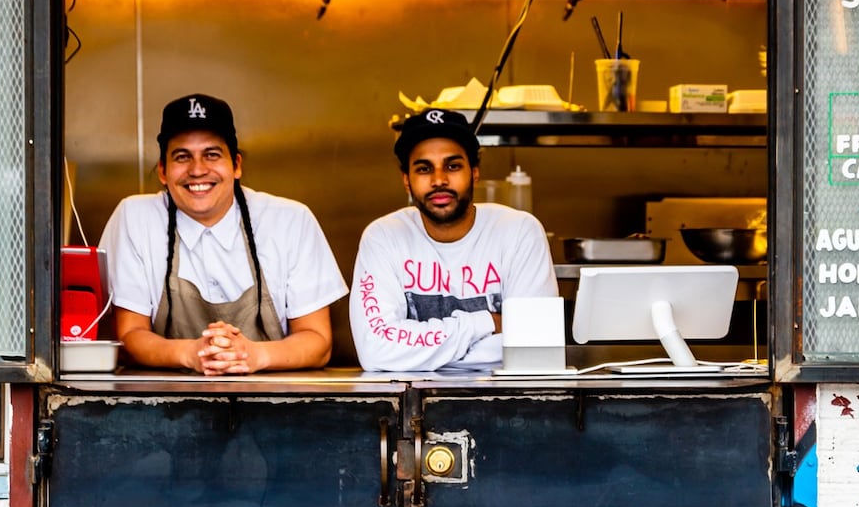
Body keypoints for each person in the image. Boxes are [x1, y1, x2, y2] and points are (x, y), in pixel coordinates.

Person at [101, 93, 346, 374]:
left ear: (237, 165)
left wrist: (252, 355)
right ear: (162, 171)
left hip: (277, 405)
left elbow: (318, 342)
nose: (197, 170)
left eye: (212, 155)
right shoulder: (134, 218)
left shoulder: (291, 220)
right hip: (162, 406)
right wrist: (191, 353)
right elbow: (128, 336)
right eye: (182, 157)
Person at [351, 108, 558, 371]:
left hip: (507, 400)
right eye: (424, 168)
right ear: (406, 180)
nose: (439, 180)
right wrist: (486, 323)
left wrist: (416, 356)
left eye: (453, 166)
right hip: (411, 401)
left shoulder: (519, 232)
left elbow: (535, 345)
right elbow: (375, 351)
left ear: (474, 172)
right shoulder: (383, 237)